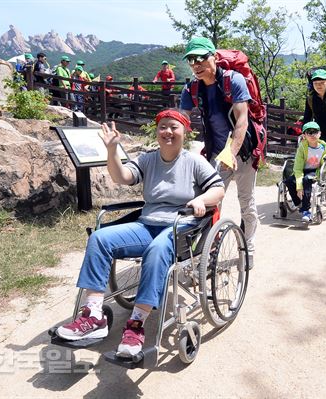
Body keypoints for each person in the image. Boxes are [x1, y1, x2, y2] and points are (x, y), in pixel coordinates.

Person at [55, 110, 224, 357]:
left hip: (181, 227)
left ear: (184, 132)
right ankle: (93, 316)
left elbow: (218, 190)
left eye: (174, 127)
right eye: (163, 127)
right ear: (157, 132)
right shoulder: (148, 159)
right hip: (147, 224)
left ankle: (136, 325)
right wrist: (112, 150)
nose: (168, 132)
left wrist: (200, 199)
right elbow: (121, 177)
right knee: (100, 238)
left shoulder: (194, 162)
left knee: (157, 248)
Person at [179, 37, 257, 268]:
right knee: (211, 202)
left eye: (201, 57)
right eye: (191, 59)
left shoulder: (234, 80)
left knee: (247, 203)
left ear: (214, 56)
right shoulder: (191, 88)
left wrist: (231, 152)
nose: (196, 63)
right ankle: (211, 249)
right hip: (215, 153)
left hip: (242, 152)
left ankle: (248, 248)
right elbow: (181, 120)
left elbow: (242, 120)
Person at [284, 121, 326, 222]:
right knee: (289, 181)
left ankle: (306, 210)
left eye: (315, 132)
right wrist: (299, 187)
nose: (312, 135)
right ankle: (299, 203)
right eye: (309, 132)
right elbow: (297, 169)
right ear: (304, 135)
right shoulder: (302, 148)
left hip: (315, 171)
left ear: (319, 134)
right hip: (302, 170)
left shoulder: (324, 147)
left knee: (307, 180)